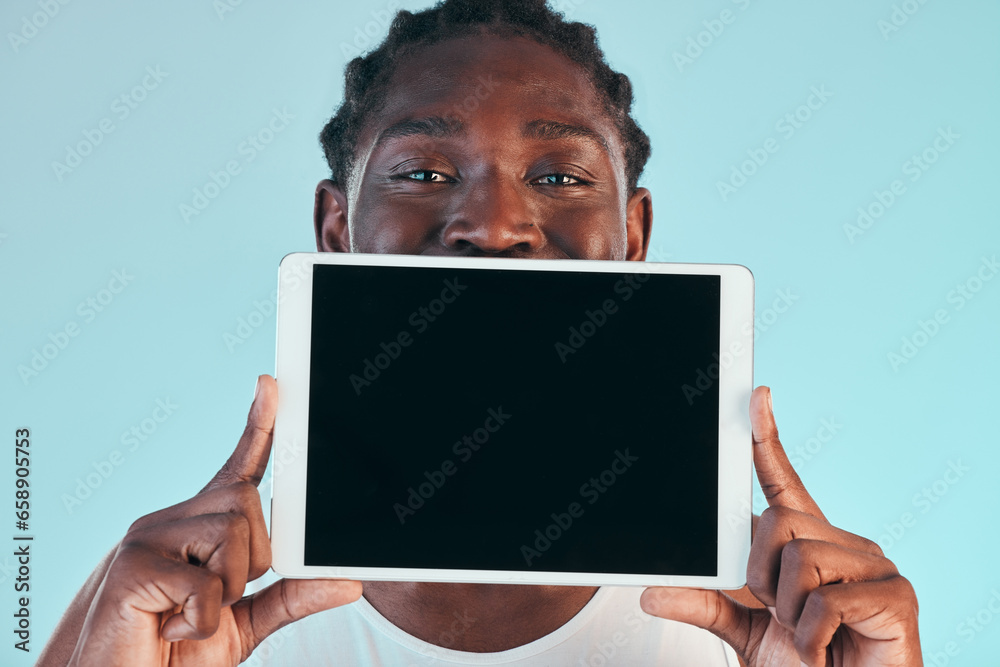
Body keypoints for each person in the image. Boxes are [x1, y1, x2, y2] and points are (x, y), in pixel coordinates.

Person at [39, 1, 922, 664]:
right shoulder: (162, 608)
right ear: (337, 229)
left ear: (635, 237)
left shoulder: (779, 618)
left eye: (562, 175)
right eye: (423, 168)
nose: (495, 223)